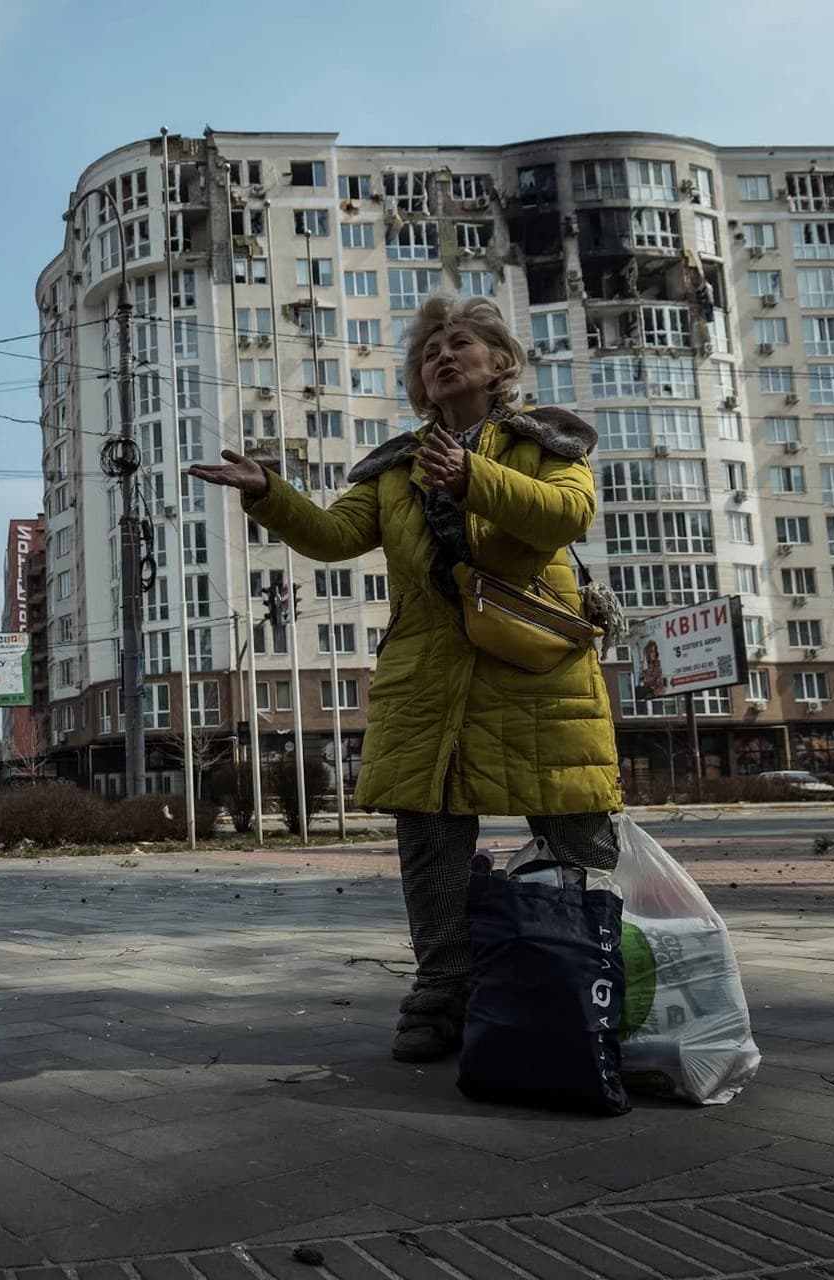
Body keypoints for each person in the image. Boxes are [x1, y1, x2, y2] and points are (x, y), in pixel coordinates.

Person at [189, 294, 622, 1063]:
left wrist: (474, 479)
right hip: (427, 676)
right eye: (430, 354)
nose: (443, 358)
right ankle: (440, 992)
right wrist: (269, 493)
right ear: (422, 384)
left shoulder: (546, 442)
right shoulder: (397, 468)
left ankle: (590, 975)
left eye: (461, 344)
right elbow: (332, 535)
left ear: (500, 365)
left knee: (574, 831)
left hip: (536, 667)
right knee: (429, 840)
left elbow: (566, 516)